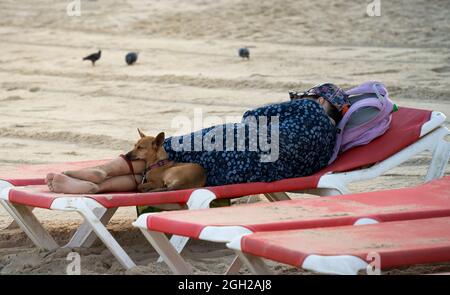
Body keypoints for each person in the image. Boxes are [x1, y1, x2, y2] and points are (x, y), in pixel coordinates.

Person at [46, 83, 350, 194]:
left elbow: (252, 115)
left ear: (321, 100)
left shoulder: (308, 108)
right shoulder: (330, 147)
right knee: (164, 172)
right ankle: (97, 189)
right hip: (248, 173)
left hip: (238, 142)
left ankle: (101, 174)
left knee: (163, 152)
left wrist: (299, 102)